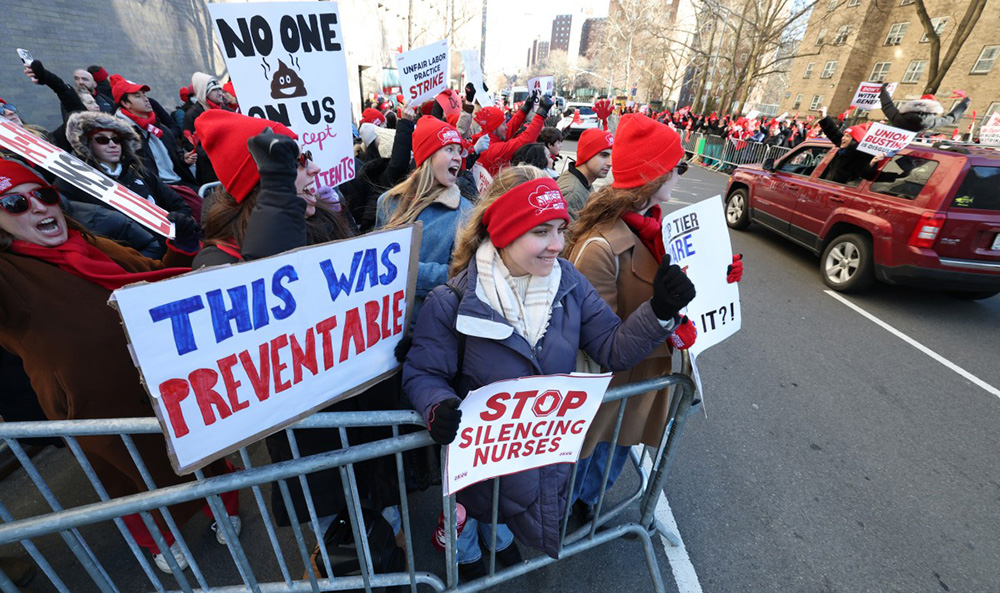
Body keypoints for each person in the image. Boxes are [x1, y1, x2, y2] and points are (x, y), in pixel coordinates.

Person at [403, 165, 696, 578]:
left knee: (505, 516)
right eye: (541, 232)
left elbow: (612, 348)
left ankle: (498, 537)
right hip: (480, 468)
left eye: (560, 228)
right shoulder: (450, 302)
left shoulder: (570, 283)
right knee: (476, 509)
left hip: (536, 460)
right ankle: (464, 544)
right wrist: (436, 406)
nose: (558, 244)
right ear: (502, 232)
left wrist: (659, 312)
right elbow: (422, 373)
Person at [0, 158, 239, 574]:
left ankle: (223, 508)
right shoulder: (8, 274)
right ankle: (160, 540)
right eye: (15, 204)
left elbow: (150, 276)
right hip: (98, 411)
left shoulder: (91, 242)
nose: (38, 207)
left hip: (164, 384)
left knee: (204, 454)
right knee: (127, 479)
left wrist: (180, 248)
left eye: (43, 195)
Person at [192, 111, 399, 540]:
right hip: (312, 439)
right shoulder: (216, 262)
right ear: (264, 183)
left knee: (384, 516)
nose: (316, 168)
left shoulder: (322, 218)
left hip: (362, 414)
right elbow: (264, 295)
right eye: (300, 161)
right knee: (343, 542)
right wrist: (279, 200)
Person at [565, 114, 742, 520]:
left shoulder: (657, 227)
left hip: (640, 382)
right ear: (654, 178)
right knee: (593, 461)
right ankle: (566, 516)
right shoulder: (600, 246)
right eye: (677, 167)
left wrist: (719, 274)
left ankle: (584, 507)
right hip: (610, 393)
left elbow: (678, 283)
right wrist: (661, 308)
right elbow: (597, 342)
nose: (682, 175)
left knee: (612, 460)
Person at [63, 111, 194, 235]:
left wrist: (179, 221)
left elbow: (179, 206)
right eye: (102, 140)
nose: (112, 144)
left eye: (116, 139)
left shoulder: (140, 172)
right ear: (87, 145)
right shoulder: (78, 184)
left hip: (168, 243)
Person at [111, 75, 199, 190]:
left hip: (181, 184)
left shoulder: (159, 127)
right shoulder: (121, 135)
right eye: (138, 96)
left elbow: (177, 154)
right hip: (158, 192)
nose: (146, 99)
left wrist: (184, 159)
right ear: (125, 104)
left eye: (144, 95)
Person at [473, 93, 552, 175]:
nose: (506, 127)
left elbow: (509, 129)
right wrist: (542, 112)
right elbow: (525, 140)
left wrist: (524, 109)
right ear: (494, 128)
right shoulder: (492, 149)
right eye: (503, 124)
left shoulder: (485, 139)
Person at [817, 106, 886, 186]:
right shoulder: (845, 149)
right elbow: (834, 133)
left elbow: (865, 174)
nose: (843, 138)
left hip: (840, 191)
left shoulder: (860, 154)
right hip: (828, 186)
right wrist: (824, 116)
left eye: (847, 136)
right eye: (844, 135)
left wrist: (872, 162)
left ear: (854, 140)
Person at [557, 128, 613, 220]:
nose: (610, 163)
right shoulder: (572, 193)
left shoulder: (584, 180)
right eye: (604, 155)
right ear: (586, 155)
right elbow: (567, 233)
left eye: (611, 156)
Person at [879, 85, 970, 133]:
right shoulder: (931, 122)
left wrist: (883, 91)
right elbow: (951, 119)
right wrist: (963, 104)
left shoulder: (898, 117)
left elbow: (887, 105)